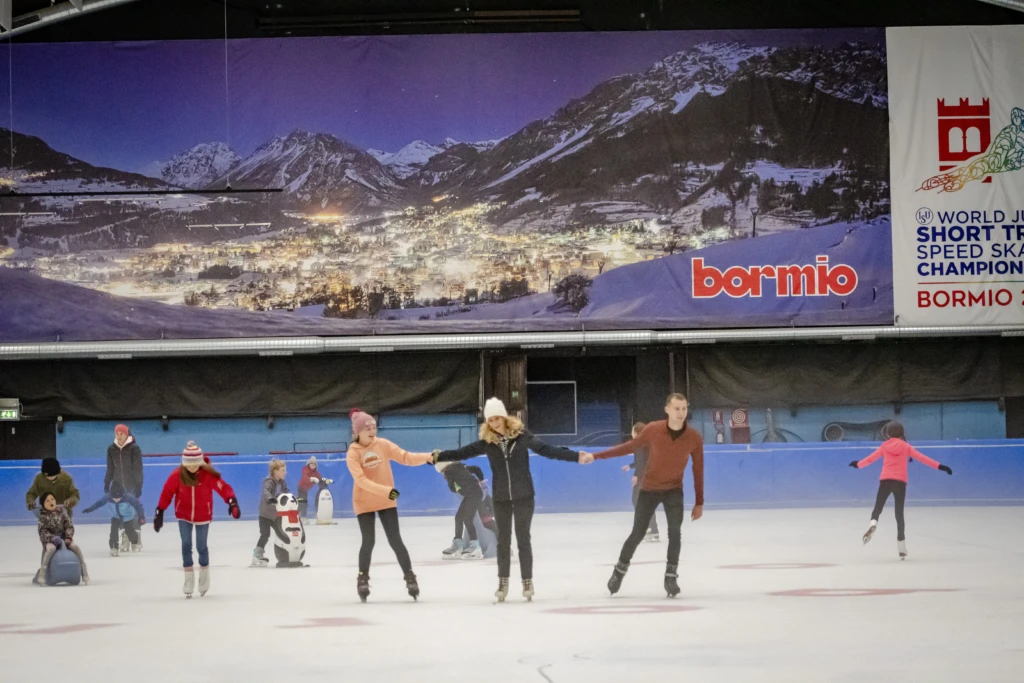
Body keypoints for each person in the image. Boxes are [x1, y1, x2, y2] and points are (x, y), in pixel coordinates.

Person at [432, 398, 593, 602]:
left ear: (505, 417)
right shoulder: (487, 443)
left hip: (524, 495)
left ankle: (527, 581)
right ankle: (503, 581)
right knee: (504, 541)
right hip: (501, 498)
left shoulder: (522, 437)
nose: (495, 423)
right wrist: (438, 456)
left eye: (497, 418)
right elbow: (462, 452)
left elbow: (547, 450)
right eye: (490, 420)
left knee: (523, 539)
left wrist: (575, 456)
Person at [592, 393, 704, 598]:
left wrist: (699, 502)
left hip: (674, 490)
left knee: (675, 533)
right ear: (667, 409)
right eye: (677, 408)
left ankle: (671, 577)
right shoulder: (653, 430)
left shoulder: (694, 437)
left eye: (684, 408)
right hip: (650, 489)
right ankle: (619, 571)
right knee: (638, 532)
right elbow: (628, 447)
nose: (681, 413)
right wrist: (596, 456)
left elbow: (698, 469)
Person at [345, 410, 433, 602]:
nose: (372, 431)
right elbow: (360, 480)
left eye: (374, 427)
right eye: (367, 428)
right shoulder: (352, 453)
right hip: (365, 501)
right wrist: (386, 491)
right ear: (358, 431)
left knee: (395, 540)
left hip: (386, 500)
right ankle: (362, 578)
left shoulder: (382, 445)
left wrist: (428, 456)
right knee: (368, 541)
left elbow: (405, 457)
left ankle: (409, 576)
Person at [850, 421, 953, 559]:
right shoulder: (906, 446)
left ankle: (873, 524)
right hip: (900, 483)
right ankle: (901, 548)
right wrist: (941, 467)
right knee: (899, 514)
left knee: (878, 507)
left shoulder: (884, 446)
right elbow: (923, 459)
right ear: (902, 433)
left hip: (885, 480)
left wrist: (858, 464)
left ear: (887, 433)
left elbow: (871, 459)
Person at [154, 441, 240, 597]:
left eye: (195, 464)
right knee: (186, 545)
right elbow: (167, 493)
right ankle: (188, 580)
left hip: (203, 515)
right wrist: (159, 511)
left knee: (201, 547)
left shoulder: (208, 475)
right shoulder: (177, 475)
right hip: (183, 515)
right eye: (189, 464)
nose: (192, 467)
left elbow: (223, 487)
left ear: (200, 462)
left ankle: (204, 577)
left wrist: (232, 502)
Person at [436, 460, 489, 560]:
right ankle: (458, 544)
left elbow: (452, 488)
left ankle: (475, 547)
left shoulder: (449, 471)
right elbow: (477, 469)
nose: (443, 474)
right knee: (459, 517)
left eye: (442, 472)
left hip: (473, 495)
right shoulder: (461, 467)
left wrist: (454, 484)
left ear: (443, 469)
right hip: (473, 494)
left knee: (467, 519)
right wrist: (481, 481)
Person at [36, 492, 89, 585]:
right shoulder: (43, 517)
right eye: (47, 501)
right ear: (43, 505)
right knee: (51, 549)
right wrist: (51, 538)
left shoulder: (62, 513)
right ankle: (43, 573)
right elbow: (42, 531)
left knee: (76, 547)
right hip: (51, 541)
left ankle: (84, 572)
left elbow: (69, 526)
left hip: (64, 539)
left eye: (52, 499)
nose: (50, 502)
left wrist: (68, 537)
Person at [105, 424, 144, 551]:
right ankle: (125, 536)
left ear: (127, 434)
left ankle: (136, 537)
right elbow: (110, 468)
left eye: (122, 433)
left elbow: (138, 467)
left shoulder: (134, 448)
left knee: (132, 510)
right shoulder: (111, 449)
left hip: (131, 484)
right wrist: (107, 482)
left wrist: (139, 484)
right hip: (118, 486)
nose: (119, 436)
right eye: (117, 433)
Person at [82, 482, 146, 556]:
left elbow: (138, 506)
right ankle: (114, 547)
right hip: (116, 516)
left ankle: (135, 541)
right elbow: (99, 503)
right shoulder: (108, 497)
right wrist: (90, 509)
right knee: (113, 531)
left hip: (127, 516)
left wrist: (141, 516)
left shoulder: (128, 497)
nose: (116, 500)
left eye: (118, 498)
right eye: (114, 498)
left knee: (129, 531)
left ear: (123, 495)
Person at [621, 421, 659, 542]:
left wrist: (636, 475)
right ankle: (652, 529)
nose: (631, 433)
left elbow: (642, 461)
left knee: (638, 501)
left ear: (637, 432)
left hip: (644, 477)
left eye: (632, 431)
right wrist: (630, 466)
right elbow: (642, 460)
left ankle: (649, 528)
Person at [252, 459, 290, 567]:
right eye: (283, 470)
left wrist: (293, 498)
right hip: (265, 515)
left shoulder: (282, 482)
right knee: (265, 534)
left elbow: (286, 491)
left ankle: (286, 554)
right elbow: (266, 491)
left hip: (276, 515)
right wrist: (270, 498)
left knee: (281, 533)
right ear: (275, 471)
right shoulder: (269, 481)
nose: (285, 472)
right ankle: (257, 555)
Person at [298, 456, 332, 522]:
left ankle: (301, 516)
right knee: (302, 502)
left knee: (303, 502)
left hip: (306, 489)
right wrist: (311, 479)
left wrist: (327, 481)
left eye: (314, 464)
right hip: (301, 488)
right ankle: (302, 517)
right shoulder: (305, 469)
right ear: (308, 464)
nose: (313, 465)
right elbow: (305, 478)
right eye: (311, 463)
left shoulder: (316, 473)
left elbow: (320, 480)